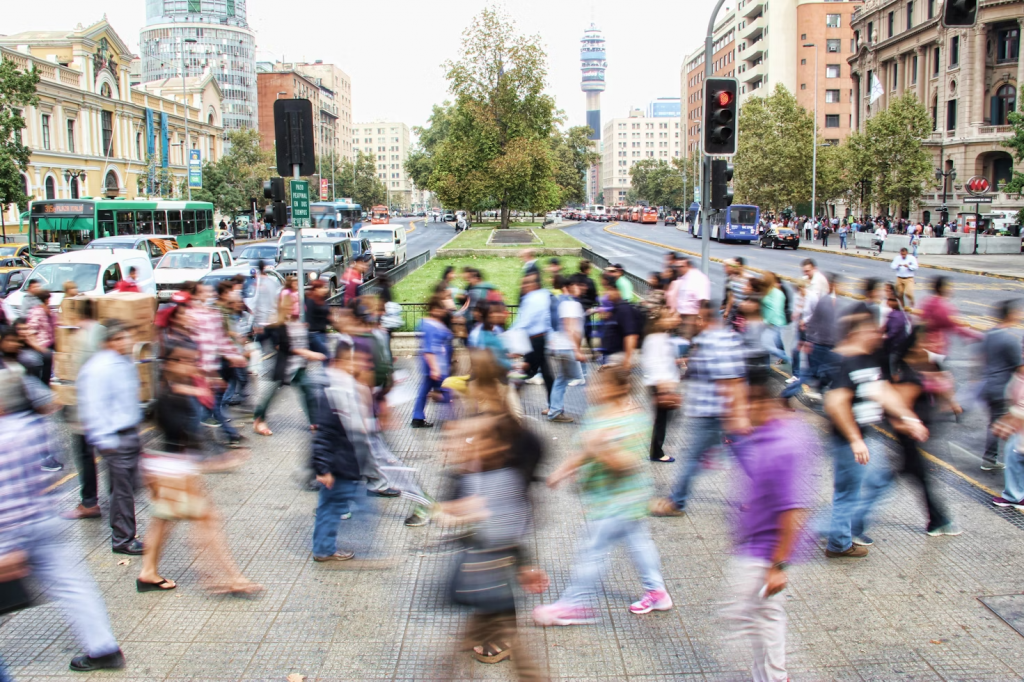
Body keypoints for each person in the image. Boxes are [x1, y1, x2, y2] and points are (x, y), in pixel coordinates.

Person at [533, 356, 673, 625]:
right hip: (609, 497)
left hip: (619, 499)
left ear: (617, 389)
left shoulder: (632, 420)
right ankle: (657, 592)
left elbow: (629, 464)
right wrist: (562, 471)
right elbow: (585, 448)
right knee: (639, 542)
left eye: (597, 385)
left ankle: (576, 604)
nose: (589, 389)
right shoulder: (598, 413)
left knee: (593, 549)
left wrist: (602, 450)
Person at [138, 344, 261, 594]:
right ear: (170, 364)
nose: (192, 365)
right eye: (184, 360)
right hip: (173, 472)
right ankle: (226, 578)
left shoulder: (179, 392)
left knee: (163, 522)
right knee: (207, 521)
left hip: (167, 469)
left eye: (193, 361)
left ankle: (148, 573)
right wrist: (217, 461)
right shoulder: (171, 396)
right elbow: (184, 437)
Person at [724, 359, 812, 682]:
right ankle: (772, 677)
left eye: (747, 403)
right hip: (759, 544)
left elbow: (794, 510)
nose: (742, 410)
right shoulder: (777, 432)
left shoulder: (783, 444)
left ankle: (775, 677)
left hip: (766, 550)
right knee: (765, 618)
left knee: (747, 617)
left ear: (763, 402)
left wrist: (779, 565)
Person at [823, 313, 929, 558]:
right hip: (851, 439)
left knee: (877, 481)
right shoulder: (846, 361)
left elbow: (883, 391)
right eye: (873, 331)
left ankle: (842, 533)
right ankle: (836, 541)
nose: (879, 335)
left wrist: (909, 418)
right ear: (858, 334)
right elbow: (836, 403)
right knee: (848, 493)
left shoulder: (867, 360)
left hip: (865, 435)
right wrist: (854, 439)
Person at [651, 301, 748, 517]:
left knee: (692, 458)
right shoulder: (714, 339)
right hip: (712, 412)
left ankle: (677, 502)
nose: (690, 322)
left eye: (695, 318)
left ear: (703, 319)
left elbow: (731, 380)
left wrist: (736, 415)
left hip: (713, 414)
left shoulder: (715, 341)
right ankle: (764, 496)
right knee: (741, 455)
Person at [77, 320, 145, 555]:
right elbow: (94, 407)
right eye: (119, 339)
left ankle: (124, 531)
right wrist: (106, 442)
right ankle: (123, 539)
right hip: (115, 439)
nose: (125, 342)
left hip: (129, 434)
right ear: (108, 342)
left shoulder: (125, 362)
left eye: (126, 337)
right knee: (122, 491)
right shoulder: (99, 368)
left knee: (128, 487)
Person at [890, 327, 961, 536]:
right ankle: (938, 520)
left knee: (911, 472)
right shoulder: (903, 369)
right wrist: (907, 425)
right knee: (919, 475)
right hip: (910, 430)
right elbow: (897, 406)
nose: (930, 344)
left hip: (922, 427)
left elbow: (945, 382)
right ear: (914, 344)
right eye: (925, 341)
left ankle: (938, 520)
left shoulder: (931, 361)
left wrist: (951, 401)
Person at [311, 339, 368, 562]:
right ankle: (324, 549)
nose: (357, 365)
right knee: (331, 507)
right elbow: (323, 433)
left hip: (344, 459)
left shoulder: (346, 386)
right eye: (353, 361)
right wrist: (323, 468)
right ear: (339, 362)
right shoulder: (334, 390)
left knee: (332, 505)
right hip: (337, 462)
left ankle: (323, 547)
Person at [61, 299, 107, 520]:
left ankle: (89, 503)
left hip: (87, 409)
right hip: (105, 407)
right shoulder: (104, 331)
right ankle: (117, 498)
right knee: (108, 453)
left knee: (84, 454)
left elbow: (78, 375)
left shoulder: (81, 337)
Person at [252, 297, 325, 436]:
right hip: (285, 367)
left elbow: (304, 342)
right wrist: (307, 353)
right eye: (293, 304)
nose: (297, 306)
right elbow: (286, 346)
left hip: (299, 367)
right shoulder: (280, 325)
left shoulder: (299, 324)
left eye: (297, 303)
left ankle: (314, 421)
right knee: (273, 394)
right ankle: (258, 419)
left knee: (308, 391)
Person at [979, 300, 1023, 470]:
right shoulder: (1010, 340)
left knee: (995, 424)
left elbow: (982, 359)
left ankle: (989, 460)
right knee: (1009, 424)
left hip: (989, 385)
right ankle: (1002, 460)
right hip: (1003, 389)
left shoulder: (990, 334)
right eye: (1018, 313)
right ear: (1010, 315)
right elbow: (1021, 369)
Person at [643, 308, 681, 462]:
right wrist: (662, 386)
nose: (673, 319)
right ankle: (656, 452)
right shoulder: (655, 338)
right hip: (660, 385)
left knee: (664, 419)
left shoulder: (662, 336)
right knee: (661, 420)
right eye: (668, 317)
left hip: (664, 384)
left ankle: (656, 450)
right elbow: (653, 363)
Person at [546, 275, 585, 423]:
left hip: (559, 346)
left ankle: (554, 410)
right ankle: (555, 410)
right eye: (577, 285)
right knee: (580, 379)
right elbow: (571, 328)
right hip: (568, 348)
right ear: (569, 287)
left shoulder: (561, 301)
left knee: (562, 379)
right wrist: (577, 351)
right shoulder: (570, 304)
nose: (580, 288)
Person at [511, 272, 554, 405]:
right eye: (524, 283)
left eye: (527, 283)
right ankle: (554, 405)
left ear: (535, 284)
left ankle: (508, 398)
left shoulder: (532, 298)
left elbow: (524, 321)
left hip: (534, 340)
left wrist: (510, 337)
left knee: (526, 370)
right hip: (538, 339)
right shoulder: (544, 295)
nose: (524, 286)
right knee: (545, 373)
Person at [411, 294, 453, 428]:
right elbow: (429, 348)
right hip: (436, 364)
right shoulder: (431, 325)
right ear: (434, 309)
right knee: (446, 390)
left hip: (434, 364)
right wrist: (435, 368)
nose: (443, 312)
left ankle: (418, 417)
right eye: (440, 309)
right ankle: (448, 420)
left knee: (425, 390)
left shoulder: (429, 324)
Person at [598, 273, 640, 369]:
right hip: (615, 356)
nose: (606, 293)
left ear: (617, 291)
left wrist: (627, 359)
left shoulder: (624, 310)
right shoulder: (615, 309)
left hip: (620, 357)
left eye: (609, 290)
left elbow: (631, 335)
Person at [667, 256, 710, 340]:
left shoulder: (698, 278)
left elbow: (704, 300)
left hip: (692, 316)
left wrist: (700, 318)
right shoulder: (682, 277)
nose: (678, 269)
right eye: (677, 267)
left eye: (681, 266)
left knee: (687, 340)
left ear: (689, 266)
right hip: (681, 315)